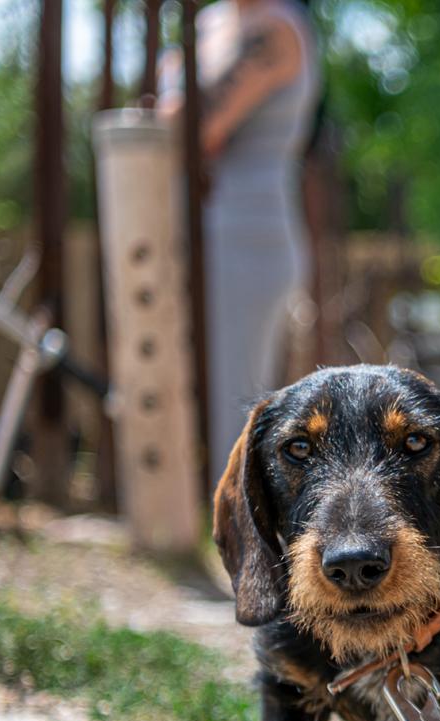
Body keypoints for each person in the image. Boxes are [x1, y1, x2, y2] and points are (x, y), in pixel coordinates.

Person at [160, 0, 322, 485]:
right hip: (192, 239)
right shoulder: (212, 21)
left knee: (230, 414)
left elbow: (181, 130)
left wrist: (173, 89)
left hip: (247, 245)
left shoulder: (275, 29)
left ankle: (237, 555)